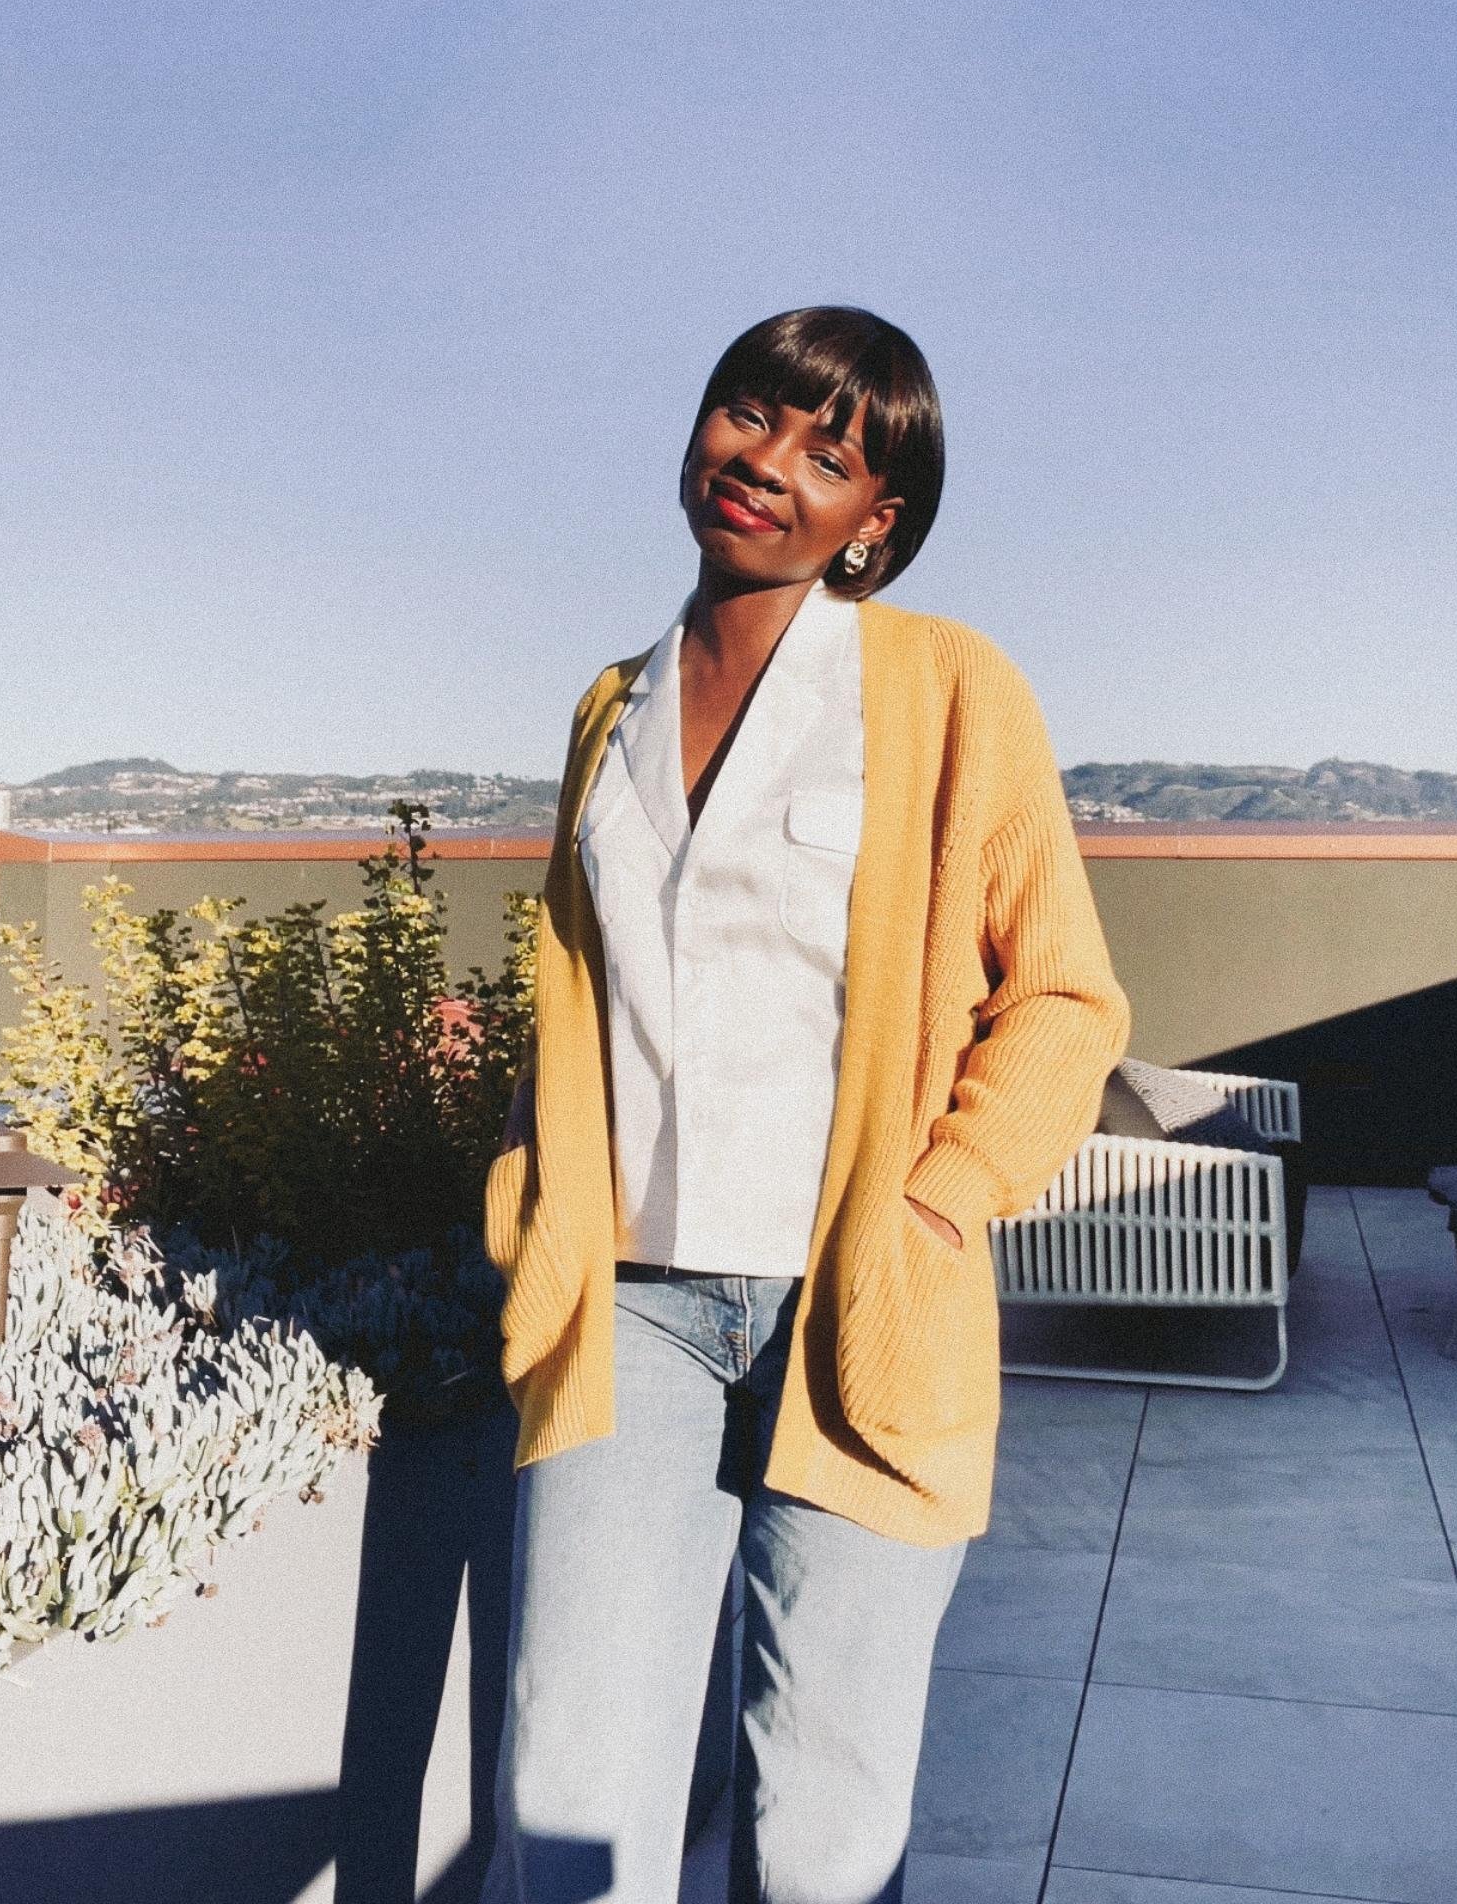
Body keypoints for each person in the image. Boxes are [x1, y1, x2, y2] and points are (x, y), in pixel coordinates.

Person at [479, 305, 1132, 1904]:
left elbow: (1065, 997)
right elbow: (581, 993)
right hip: (630, 1306)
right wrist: (530, 1186)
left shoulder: (946, 687)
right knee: (569, 1795)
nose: (766, 462)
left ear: (872, 523)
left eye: (825, 455)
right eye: (747, 413)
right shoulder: (609, 707)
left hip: (860, 1307)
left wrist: (940, 1203)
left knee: (826, 1823)